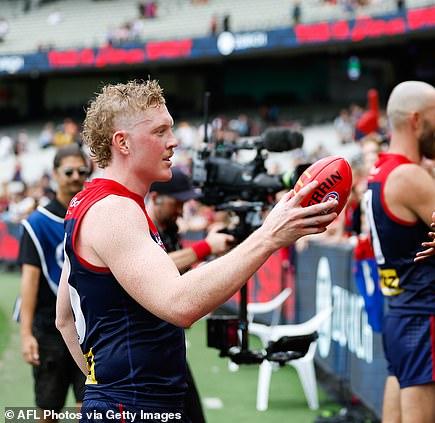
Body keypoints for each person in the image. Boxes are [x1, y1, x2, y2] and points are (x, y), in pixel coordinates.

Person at [55, 79, 337, 420]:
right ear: (122, 142)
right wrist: (270, 235)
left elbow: (65, 318)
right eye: (160, 132)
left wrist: (100, 388)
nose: (173, 142)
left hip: (130, 403)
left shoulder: (92, 201)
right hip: (133, 407)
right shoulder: (115, 209)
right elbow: (180, 304)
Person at [364, 81, 435, 422]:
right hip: (425, 315)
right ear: (417, 120)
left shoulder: (380, 171)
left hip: (402, 312)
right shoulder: (407, 174)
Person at [147, 167, 234, 423]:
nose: (181, 211)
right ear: (156, 198)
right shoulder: (141, 228)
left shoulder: (170, 230)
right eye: (177, 203)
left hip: (168, 348)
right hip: (146, 355)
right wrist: (206, 246)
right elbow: (156, 268)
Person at [19, 145, 89, 419]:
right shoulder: (37, 223)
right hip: (49, 328)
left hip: (87, 326)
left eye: (81, 171)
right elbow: (30, 281)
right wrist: (26, 334)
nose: (75, 177)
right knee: (49, 409)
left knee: (90, 404)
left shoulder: (92, 214)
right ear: (55, 174)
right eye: (68, 171)